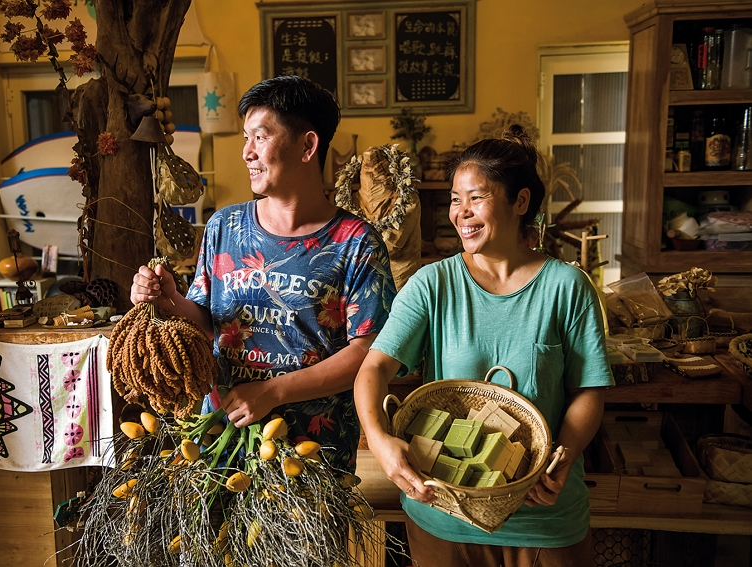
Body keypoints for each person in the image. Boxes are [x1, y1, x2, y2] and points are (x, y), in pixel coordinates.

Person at [354, 125, 614, 566]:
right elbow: (373, 370)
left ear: (521, 202)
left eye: (477, 197)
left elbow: (589, 390)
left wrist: (560, 456)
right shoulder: (433, 285)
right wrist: (379, 441)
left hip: (543, 519)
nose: (462, 212)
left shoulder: (567, 287)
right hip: (443, 518)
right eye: (456, 199)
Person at [130, 75, 396, 472]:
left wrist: (273, 391)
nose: (246, 153)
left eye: (260, 137)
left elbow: (369, 354)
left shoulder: (356, 242)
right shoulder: (225, 227)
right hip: (220, 439)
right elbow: (207, 321)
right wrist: (170, 301)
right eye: (244, 138)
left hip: (311, 452)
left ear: (308, 145)